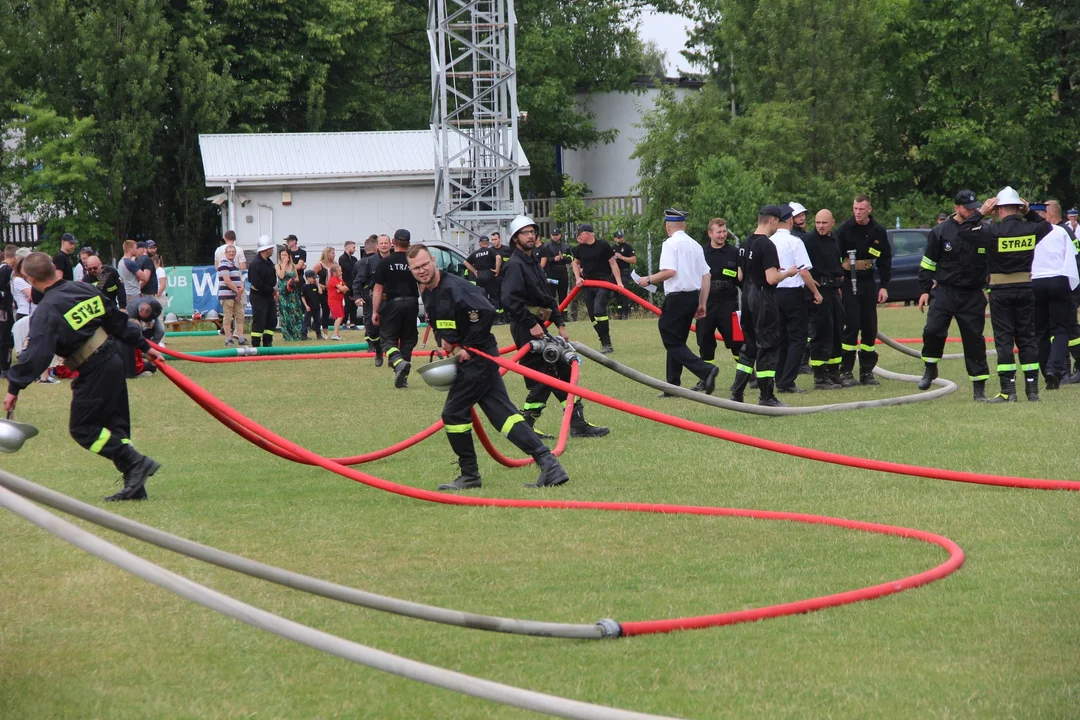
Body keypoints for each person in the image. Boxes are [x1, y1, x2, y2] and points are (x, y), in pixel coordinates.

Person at [406, 244, 570, 491]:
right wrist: (446, 339)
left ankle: (470, 474)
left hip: (478, 359)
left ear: (433, 261)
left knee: (453, 413)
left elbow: (486, 311)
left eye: (424, 264)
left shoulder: (455, 287)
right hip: (471, 358)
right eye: (416, 268)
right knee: (503, 416)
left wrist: (469, 347)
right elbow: (439, 319)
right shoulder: (428, 292)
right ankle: (549, 463)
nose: (421, 270)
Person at [3, 253, 164, 500]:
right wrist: (145, 346)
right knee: (115, 426)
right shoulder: (82, 289)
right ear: (54, 269)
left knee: (83, 429)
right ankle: (135, 486)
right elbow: (116, 320)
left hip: (95, 366)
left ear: (31, 279)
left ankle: (137, 463)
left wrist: (14, 387)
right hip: (112, 358)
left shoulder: (47, 310)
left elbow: (37, 354)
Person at [501, 215, 609, 439]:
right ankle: (527, 425)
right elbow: (509, 300)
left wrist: (560, 323)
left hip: (540, 325)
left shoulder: (533, 262)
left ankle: (576, 422)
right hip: (525, 327)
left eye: (533, 232)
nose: (531, 236)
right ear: (515, 239)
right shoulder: (515, 265)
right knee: (543, 375)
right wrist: (531, 324)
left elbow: (546, 296)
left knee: (562, 369)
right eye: (525, 233)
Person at [957, 187, 1055, 402]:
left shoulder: (992, 231)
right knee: (1027, 338)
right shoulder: (1031, 228)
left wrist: (980, 212)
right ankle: (1032, 390)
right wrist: (1029, 212)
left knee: (1004, 340)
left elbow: (963, 231)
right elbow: (1047, 226)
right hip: (1026, 289)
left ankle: (1008, 391)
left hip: (1001, 291)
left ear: (998, 210)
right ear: (1019, 208)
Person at [915, 190, 990, 400]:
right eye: (968, 208)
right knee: (933, 330)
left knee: (974, 340)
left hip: (972, 293)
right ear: (956, 208)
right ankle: (930, 367)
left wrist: (990, 289)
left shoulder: (983, 229)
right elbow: (928, 262)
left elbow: (992, 263)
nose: (973, 210)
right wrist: (924, 290)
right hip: (945, 291)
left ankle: (979, 388)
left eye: (975, 207)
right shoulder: (940, 231)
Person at [637, 209, 720, 396]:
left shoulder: (670, 244)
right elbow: (706, 275)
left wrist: (648, 279)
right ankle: (672, 385)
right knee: (678, 340)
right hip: (692, 296)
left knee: (671, 339)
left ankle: (705, 370)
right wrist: (702, 303)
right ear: (684, 225)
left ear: (668, 226)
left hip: (677, 298)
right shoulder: (696, 245)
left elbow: (670, 272)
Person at [730, 205, 799, 406]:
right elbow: (771, 278)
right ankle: (766, 396)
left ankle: (736, 392)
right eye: (779, 221)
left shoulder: (744, 243)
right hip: (763, 298)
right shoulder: (767, 245)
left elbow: (740, 275)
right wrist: (788, 273)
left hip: (747, 297)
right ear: (772, 220)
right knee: (768, 345)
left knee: (750, 346)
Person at [836, 194, 892, 386]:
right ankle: (846, 372)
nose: (858, 213)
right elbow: (834, 257)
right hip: (848, 281)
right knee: (851, 327)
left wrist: (884, 285)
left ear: (869, 209)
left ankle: (867, 372)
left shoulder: (878, 231)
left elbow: (885, 260)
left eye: (861, 209)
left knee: (869, 328)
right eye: (855, 209)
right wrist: (838, 283)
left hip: (868, 281)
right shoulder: (844, 230)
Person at [772, 205, 822, 393]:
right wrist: (816, 293)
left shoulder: (769, 241)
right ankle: (787, 381)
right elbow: (803, 271)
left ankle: (779, 377)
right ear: (791, 220)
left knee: (781, 338)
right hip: (793, 294)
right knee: (798, 338)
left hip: (775, 293)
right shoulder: (794, 242)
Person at [1029, 201, 1079, 389]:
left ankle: (1045, 370)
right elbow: (1074, 257)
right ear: (1047, 215)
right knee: (1061, 329)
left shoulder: (1026, 232)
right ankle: (1054, 369)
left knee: (1040, 331)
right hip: (1059, 280)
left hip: (1035, 282)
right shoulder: (1061, 232)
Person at [803, 210, 847, 390]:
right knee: (821, 333)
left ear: (832, 223)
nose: (820, 226)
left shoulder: (835, 238)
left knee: (837, 331)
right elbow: (801, 267)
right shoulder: (808, 241)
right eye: (817, 222)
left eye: (824, 223)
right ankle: (820, 377)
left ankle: (834, 372)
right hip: (818, 292)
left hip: (833, 290)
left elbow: (837, 262)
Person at [371, 229, 419, 388]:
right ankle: (403, 377)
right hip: (412, 303)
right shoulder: (414, 261)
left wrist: (375, 311)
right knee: (408, 339)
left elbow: (378, 289)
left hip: (392, 304)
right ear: (409, 244)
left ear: (393, 242)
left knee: (387, 340)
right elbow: (424, 285)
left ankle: (399, 364)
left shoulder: (385, 262)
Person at [696, 218, 743, 369]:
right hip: (706, 302)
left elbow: (741, 280)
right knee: (705, 341)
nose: (722, 235)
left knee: (735, 340)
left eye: (724, 232)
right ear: (710, 233)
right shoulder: (701, 252)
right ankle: (706, 377)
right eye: (719, 232)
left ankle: (748, 375)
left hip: (728, 303)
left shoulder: (734, 253)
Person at [570, 223, 623, 353]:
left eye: (579, 234)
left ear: (587, 233)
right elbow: (575, 263)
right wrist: (578, 278)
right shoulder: (579, 249)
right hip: (588, 284)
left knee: (599, 311)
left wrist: (619, 283)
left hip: (603, 283)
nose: (578, 237)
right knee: (593, 317)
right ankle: (604, 340)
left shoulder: (603, 245)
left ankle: (607, 344)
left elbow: (613, 264)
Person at [353, 234, 391, 366]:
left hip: (392, 301)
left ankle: (393, 356)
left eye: (386, 243)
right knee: (373, 330)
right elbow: (358, 281)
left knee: (392, 330)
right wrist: (357, 297)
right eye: (381, 243)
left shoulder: (394, 260)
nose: (384, 245)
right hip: (373, 301)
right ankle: (378, 351)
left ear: (390, 244)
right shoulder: (368, 262)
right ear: (377, 246)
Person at [215, 231, 248, 341]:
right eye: (229, 252)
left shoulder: (218, 251)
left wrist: (240, 287)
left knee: (238, 314)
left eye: (232, 252)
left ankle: (240, 336)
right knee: (229, 315)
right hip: (229, 291)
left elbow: (216, 267)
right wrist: (238, 290)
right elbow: (243, 267)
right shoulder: (237, 251)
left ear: (224, 238)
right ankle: (230, 337)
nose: (231, 253)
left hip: (236, 289)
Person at [248, 237, 278, 348]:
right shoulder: (255, 264)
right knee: (259, 320)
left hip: (268, 295)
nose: (273, 250)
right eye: (271, 248)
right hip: (258, 296)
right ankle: (256, 344)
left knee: (271, 320)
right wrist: (271, 290)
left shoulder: (269, 262)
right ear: (266, 250)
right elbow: (256, 282)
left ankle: (268, 342)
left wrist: (272, 290)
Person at [538, 227, 573, 318]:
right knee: (551, 295)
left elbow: (571, 259)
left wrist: (563, 258)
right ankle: (551, 315)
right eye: (553, 235)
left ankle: (563, 314)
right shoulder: (546, 246)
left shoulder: (566, 246)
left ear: (560, 235)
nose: (555, 237)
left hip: (562, 273)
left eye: (556, 235)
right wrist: (554, 259)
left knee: (563, 295)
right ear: (551, 236)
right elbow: (544, 260)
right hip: (551, 273)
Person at [275, 248, 304, 341]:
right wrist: (283, 264)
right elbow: (281, 276)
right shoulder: (278, 266)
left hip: (292, 292)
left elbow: (297, 278)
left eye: (285, 255)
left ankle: (297, 334)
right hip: (283, 292)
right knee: (285, 313)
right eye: (282, 255)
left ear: (289, 256)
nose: (284, 257)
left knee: (295, 312)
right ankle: (288, 336)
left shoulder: (293, 266)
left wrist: (293, 281)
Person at [464, 235, 498, 306]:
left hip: (479, 275)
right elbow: (498, 257)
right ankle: (496, 310)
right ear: (488, 243)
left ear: (480, 243)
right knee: (493, 294)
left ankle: (484, 308)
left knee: (482, 294)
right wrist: (497, 269)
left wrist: (474, 271)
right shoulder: (490, 250)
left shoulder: (475, 253)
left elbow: (465, 262)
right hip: (489, 274)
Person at [612, 231, 638, 319]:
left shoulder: (627, 247)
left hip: (624, 271)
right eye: (619, 238)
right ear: (615, 239)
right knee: (616, 292)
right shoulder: (613, 248)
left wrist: (621, 257)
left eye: (622, 237)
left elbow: (634, 260)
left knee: (623, 291)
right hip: (615, 273)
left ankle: (625, 313)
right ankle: (619, 312)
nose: (621, 239)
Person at [0, 245, 16, 377]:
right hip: (4, 309)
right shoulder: (7, 270)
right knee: (5, 338)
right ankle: (4, 367)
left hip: (4, 308)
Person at [313, 246, 336, 334]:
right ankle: (324, 331)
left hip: (332, 290)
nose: (334, 255)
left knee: (332, 310)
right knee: (325, 310)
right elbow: (311, 276)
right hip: (323, 291)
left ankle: (335, 330)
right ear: (327, 254)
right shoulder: (319, 265)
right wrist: (319, 284)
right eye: (332, 253)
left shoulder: (335, 264)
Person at [490, 230, 511, 323]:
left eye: (495, 239)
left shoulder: (507, 250)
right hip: (494, 278)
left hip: (506, 277)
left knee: (506, 297)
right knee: (495, 298)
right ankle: (499, 317)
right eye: (492, 240)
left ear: (499, 239)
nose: (494, 241)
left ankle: (507, 316)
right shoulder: (490, 251)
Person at [338, 241, 360, 329]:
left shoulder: (354, 259)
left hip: (354, 284)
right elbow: (348, 268)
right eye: (353, 247)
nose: (354, 249)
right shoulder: (342, 258)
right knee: (347, 305)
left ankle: (353, 323)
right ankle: (344, 323)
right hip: (346, 284)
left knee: (354, 304)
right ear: (348, 247)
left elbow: (357, 269)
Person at [301, 270, 325, 341]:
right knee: (306, 321)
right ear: (308, 278)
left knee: (317, 321)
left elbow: (320, 292)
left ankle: (319, 335)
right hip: (309, 307)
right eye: (313, 278)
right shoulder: (304, 287)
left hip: (316, 307)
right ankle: (304, 335)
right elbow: (303, 297)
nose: (314, 279)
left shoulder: (314, 286)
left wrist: (317, 284)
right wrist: (306, 306)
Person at [326, 263, 348, 340]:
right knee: (339, 316)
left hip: (339, 301)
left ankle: (337, 334)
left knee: (340, 316)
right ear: (334, 273)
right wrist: (341, 289)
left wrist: (341, 289)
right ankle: (335, 334)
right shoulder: (333, 280)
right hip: (333, 301)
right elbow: (342, 289)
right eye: (339, 272)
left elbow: (346, 289)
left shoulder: (340, 280)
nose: (341, 273)